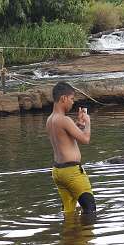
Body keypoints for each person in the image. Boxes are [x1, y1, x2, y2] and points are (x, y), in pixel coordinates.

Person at [46, 82, 96, 214]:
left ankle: (69, 232)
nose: (73, 103)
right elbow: (85, 139)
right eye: (72, 99)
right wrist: (88, 123)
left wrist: (78, 124)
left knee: (69, 212)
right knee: (90, 209)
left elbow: (65, 137)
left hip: (58, 172)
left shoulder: (51, 119)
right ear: (63, 98)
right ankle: (86, 233)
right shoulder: (64, 119)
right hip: (72, 172)